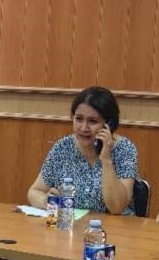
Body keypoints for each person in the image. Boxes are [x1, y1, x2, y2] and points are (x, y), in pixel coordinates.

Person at [27, 86, 138, 215]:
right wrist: (45, 201)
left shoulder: (124, 149)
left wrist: (106, 160)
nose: (84, 128)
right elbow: (34, 191)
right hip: (72, 224)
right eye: (79, 119)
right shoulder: (63, 147)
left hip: (114, 226)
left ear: (109, 124)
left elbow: (117, 208)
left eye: (93, 121)